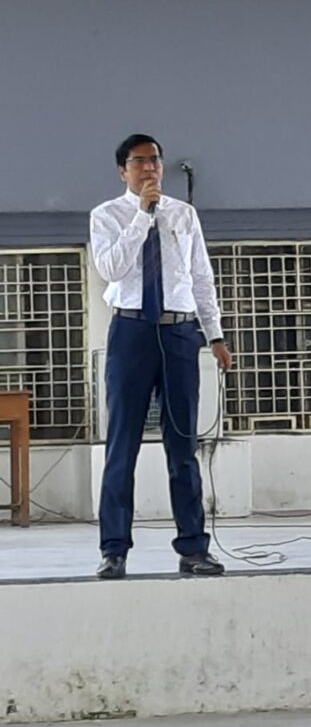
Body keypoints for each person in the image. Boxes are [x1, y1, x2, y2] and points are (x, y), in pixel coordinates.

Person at [90, 133, 232, 579]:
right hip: (131, 331)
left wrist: (215, 334)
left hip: (178, 333)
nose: (149, 167)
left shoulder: (184, 215)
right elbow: (110, 268)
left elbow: (201, 277)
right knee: (122, 445)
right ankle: (114, 550)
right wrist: (142, 215)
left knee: (183, 446)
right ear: (122, 170)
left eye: (154, 160)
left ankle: (194, 548)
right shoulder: (106, 216)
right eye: (139, 161)